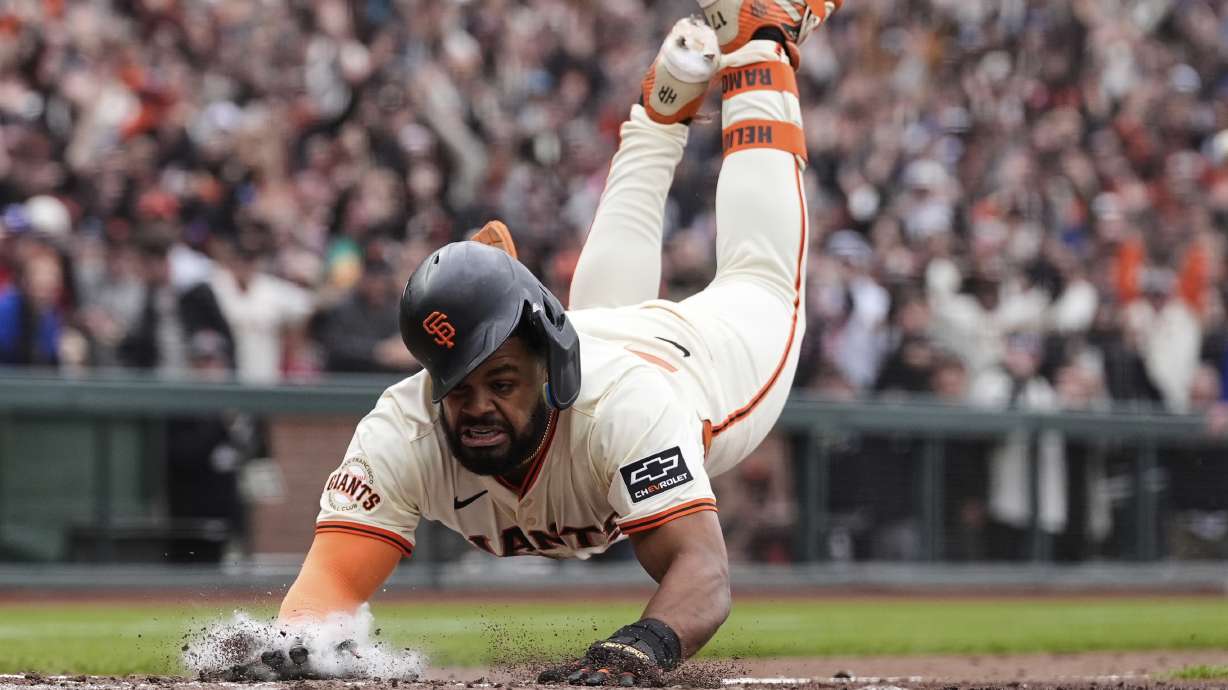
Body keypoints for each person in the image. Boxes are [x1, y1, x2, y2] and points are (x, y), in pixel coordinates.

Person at [264, 2, 841, 684]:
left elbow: (704, 572)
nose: (476, 406)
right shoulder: (403, 429)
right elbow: (328, 585)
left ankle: (757, 46)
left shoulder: (622, 407)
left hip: (696, 364)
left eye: (500, 383)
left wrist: (636, 651)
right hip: (597, 343)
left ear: (545, 365)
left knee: (763, 278)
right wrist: (291, 651)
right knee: (605, 310)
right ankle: (658, 114)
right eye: (458, 386)